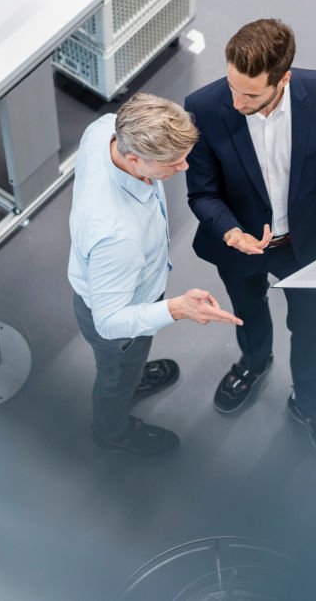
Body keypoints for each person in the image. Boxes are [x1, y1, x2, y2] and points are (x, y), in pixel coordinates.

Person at [184, 19, 316, 462]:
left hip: (305, 244)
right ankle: (254, 361)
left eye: (249, 95)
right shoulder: (203, 107)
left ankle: (309, 405)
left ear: (283, 79)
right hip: (239, 245)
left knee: (310, 330)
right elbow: (202, 192)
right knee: (247, 312)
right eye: (232, 87)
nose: (235, 100)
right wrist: (230, 232)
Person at [68, 93, 242, 458]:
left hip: (115, 284)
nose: (183, 167)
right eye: (173, 162)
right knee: (116, 374)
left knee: (125, 367)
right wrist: (177, 308)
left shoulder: (104, 131)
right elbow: (110, 323)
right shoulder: (118, 236)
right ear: (134, 159)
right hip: (121, 317)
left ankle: (131, 379)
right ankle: (111, 430)